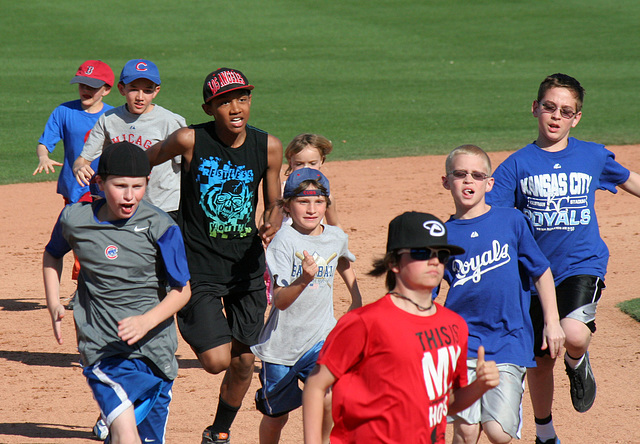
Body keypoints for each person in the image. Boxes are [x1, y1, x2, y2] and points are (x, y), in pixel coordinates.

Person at [486, 73, 640, 444]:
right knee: (540, 361)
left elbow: (629, 179)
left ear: (577, 118)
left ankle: (578, 360)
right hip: (534, 273)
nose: (556, 116)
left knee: (572, 334)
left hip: (581, 264)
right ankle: (545, 433)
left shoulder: (592, 155)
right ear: (535, 108)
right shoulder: (516, 166)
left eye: (566, 111)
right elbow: (493, 216)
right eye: (550, 107)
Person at [145, 67, 283, 444]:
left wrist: (271, 221)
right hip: (198, 266)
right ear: (209, 107)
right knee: (217, 360)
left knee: (243, 363)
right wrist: (113, 181)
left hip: (246, 268)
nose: (235, 107)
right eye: (224, 102)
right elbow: (144, 159)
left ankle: (218, 432)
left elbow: (275, 203)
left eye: (242, 98)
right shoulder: (190, 139)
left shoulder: (268, 145)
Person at [302, 211, 501, 444]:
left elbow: (444, 401)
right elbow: (316, 386)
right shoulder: (365, 322)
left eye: (442, 254)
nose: (434, 261)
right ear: (393, 263)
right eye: (421, 253)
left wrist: (479, 387)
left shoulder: (454, 325)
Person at [43, 141, 191, 443]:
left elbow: (182, 290)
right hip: (104, 348)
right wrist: (53, 301)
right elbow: (53, 253)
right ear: (99, 182)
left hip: (155, 351)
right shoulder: (75, 219)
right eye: (120, 185)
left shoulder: (160, 226)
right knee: (125, 433)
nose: (129, 195)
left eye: (138, 186)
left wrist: (145, 322)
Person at [439, 145, 565, 443]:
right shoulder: (442, 235)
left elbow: (541, 271)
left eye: (477, 175)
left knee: (498, 432)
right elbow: (426, 292)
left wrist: (552, 321)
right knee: (466, 430)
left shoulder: (511, 221)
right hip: (462, 341)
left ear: (490, 183)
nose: (469, 181)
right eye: (460, 174)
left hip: (509, 339)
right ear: (446, 180)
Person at [251, 168, 362, 444]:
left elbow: (342, 259)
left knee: (328, 397)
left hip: (321, 338)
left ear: (327, 203)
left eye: (319, 202)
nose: (312, 209)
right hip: (281, 347)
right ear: (287, 206)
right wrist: (304, 279)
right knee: (277, 417)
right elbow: (279, 300)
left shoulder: (335, 236)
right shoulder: (283, 242)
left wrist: (356, 297)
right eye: (303, 202)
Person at [34, 60, 115, 298]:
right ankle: (83, 288)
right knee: (79, 238)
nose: (86, 90)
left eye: (92, 85)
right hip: (75, 188)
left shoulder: (113, 116)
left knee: (100, 237)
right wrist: (43, 157)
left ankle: (88, 288)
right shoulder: (64, 112)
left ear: (107, 89)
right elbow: (44, 143)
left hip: (105, 189)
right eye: (82, 84)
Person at [73, 59, 186, 219]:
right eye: (133, 89)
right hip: (123, 206)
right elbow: (82, 160)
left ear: (156, 91)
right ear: (121, 89)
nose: (140, 97)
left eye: (147, 90)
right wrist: (79, 168)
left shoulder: (170, 122)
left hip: (163, 206)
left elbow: (186, 166)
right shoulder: (109, 120)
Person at [283, 133, 340, 226]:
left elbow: (335, 225)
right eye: (299, 164)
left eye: (312, 163)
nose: (306, 168)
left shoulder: (325, 194)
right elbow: (269, 222)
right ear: (290, 162)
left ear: (322, 161)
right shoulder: (282, 191)